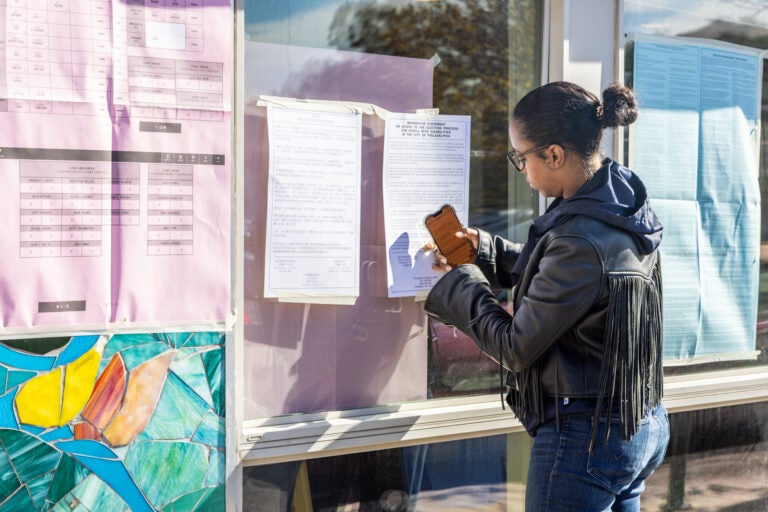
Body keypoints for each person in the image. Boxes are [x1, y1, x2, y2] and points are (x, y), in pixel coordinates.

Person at [423, 81, 670, 511]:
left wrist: (459, 280)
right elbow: (572, 281)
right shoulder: (618, 206)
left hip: (587, 437)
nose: (520, 167)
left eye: (521, 157)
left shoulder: (581, 235)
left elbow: (516, 347)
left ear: (553, 154)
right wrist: (483, 250)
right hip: (638, 421)